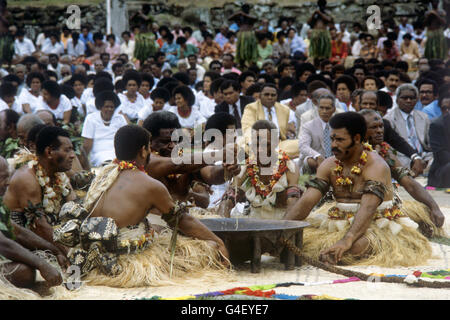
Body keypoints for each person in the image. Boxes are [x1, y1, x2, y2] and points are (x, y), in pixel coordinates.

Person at [52, 125, 230, 285]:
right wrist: (217, 241)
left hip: (87, 258)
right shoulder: (150, 185)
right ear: (144, 151)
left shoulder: (103, 173)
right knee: (209, 249)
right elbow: (181, 220)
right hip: (125, 263)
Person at [285, 112, 432, 267]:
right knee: (297, 242)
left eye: (340, 140)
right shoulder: (329, 164)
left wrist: (346, 240)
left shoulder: (376, 166)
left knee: (351, 249)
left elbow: (368, 208)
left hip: (376, 224)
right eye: (332, 139)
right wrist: (282, 228)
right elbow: (308, 200)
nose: (334, 145)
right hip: (338, 220)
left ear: (356, 138)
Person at [360, 109, 444, 236]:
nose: (379, 131)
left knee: (426, 217)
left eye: (381, 126)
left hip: (383, 208)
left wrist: (434, 206)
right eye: (373, 127)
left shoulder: (386, 154)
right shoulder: (352, 154)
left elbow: (409, 183)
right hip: (357, 209)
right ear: (360, 130)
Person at [218, 120, 300, 220]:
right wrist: (223, 225)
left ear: (276, 143)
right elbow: (227, 201)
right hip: (254, 222)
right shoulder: (246, 167)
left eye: (266, 145)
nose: (260, 150)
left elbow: (293, 204)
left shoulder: (290, 167)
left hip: (283, 220)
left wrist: (282, 231)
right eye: (256, 145)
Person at [241, 84, 298, 158]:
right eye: (266, 95)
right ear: (260, 96)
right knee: (243, 147)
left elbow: (287, 131)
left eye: (273, 95)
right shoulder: (251, 108)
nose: (270, 97)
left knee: (300, 144)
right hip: (259, 144)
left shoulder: (284, 109)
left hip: (279, 144)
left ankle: (273, 155)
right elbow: (248, 128)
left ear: (277, 96)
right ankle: (278, 156)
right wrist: (252, 143)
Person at [384, 84, 432, 168]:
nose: (408, 101)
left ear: (417, 100)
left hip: (425, 155)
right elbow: (392, 148)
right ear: (397, 100)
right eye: (404, 98)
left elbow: (430, 142)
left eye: (412, 98)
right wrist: (414, 159)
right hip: (404, 156)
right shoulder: (389, 119)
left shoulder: (423, 117)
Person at [82, 91, 127, 167]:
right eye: (106, 106)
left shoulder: (120, 118)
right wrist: (84, 163)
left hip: (116, 151)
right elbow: (87, 143)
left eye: (112, 107)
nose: (109, 109)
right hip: (98, 153)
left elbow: (125, 139)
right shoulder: (91, 118)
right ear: (100, 107)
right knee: (107, 161)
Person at [298, 93, 336, 174]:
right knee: (310, 161)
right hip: (315, 162)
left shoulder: (338, 126)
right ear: (317, 108)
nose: (324, 111)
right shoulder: (308, 126)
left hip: (335, 159)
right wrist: (317, 156)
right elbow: (303, 146)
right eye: (321, 108)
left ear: (334, 109)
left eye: (327, 108)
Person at [428, 92, 450, 188]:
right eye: (444, 109)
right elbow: (441, 155)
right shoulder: (436, 125)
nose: (448, 111)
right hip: (442, 170)